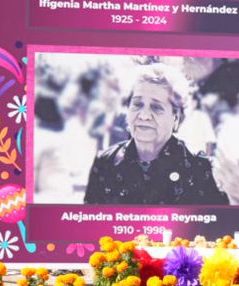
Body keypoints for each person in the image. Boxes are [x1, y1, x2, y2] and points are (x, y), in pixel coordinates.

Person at [83, 63, 228, 207]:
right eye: (137, 104)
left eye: (156, 107)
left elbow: (216, 225)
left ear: (176, 117)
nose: (144, 116)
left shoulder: (199, 167)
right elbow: (90, 225)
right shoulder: (105, 163)